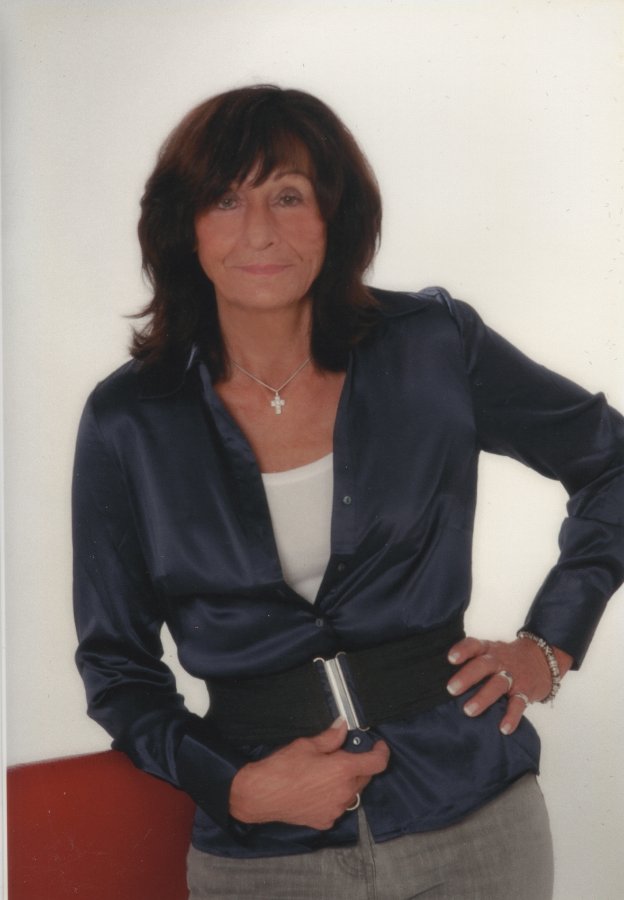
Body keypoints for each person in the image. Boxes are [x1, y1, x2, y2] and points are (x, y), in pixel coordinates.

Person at [72, 85, 623, 900]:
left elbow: (613, 464)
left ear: (337, 215)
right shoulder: (129, 420)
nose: (260, 231)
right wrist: (234, 787)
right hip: (264, 855)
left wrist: (551, 644)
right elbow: (116, 665)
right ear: (185, 227)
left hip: (475, 825)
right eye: (226, 199)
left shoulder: (432, 347)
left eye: (289, 195)